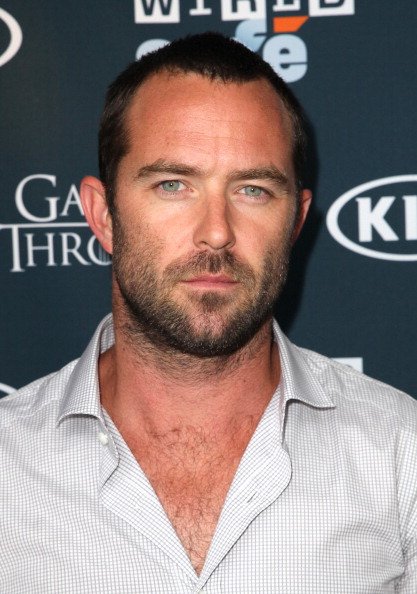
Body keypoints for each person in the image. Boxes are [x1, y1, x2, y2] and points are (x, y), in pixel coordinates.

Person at [1, 32, 416, 594]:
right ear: (102, 215)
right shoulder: (8, 462)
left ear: (295, 222)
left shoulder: (400, 452)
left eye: (253, 190)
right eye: (173, 185)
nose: (217, 232)